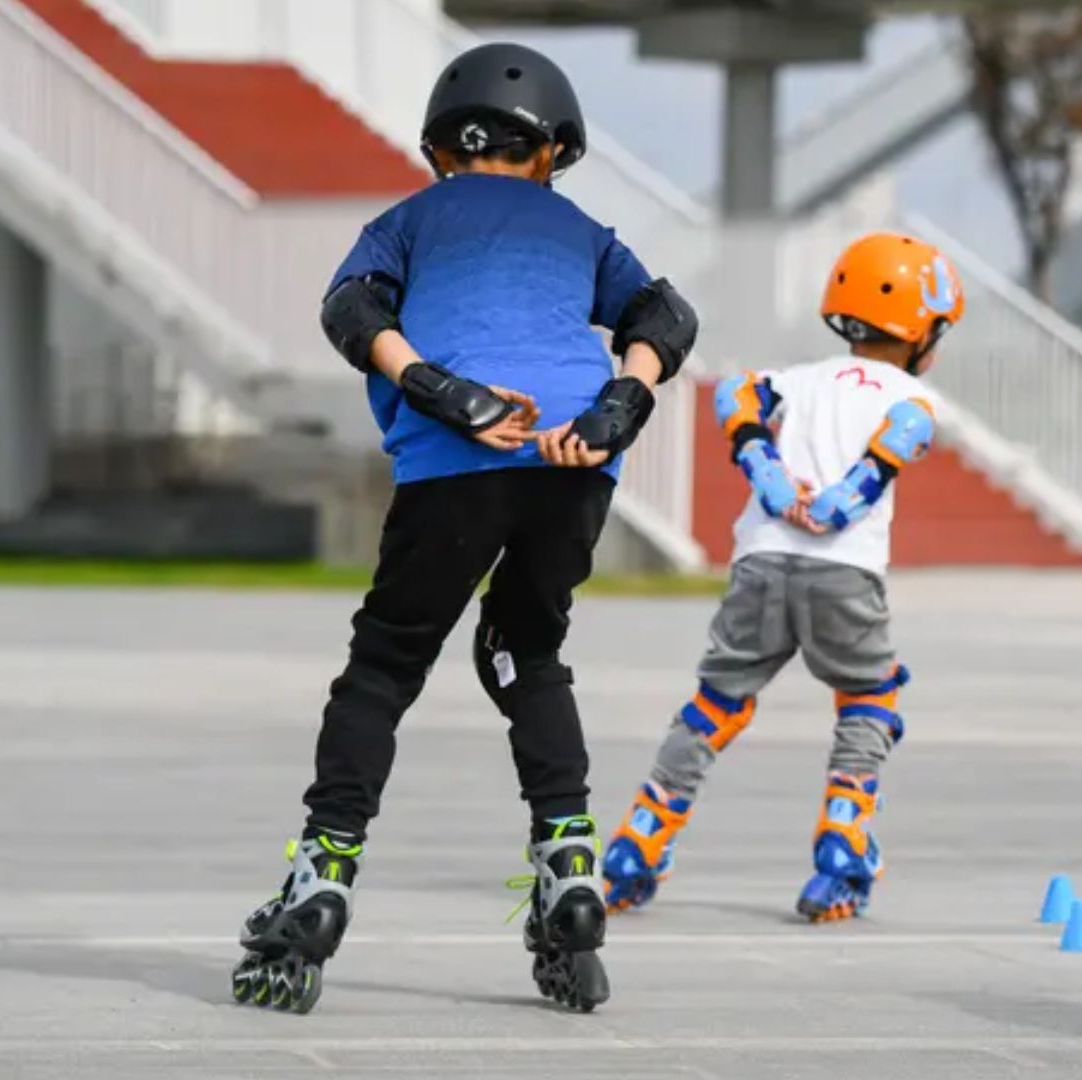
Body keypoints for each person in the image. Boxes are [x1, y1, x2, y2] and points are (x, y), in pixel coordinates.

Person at [229, 41, 698, 1016]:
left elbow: (352, 310)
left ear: (443, 148)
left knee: (386, 666)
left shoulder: (407, 220)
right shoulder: (578, 228)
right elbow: (664, 312)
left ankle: (321, 876)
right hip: (574, 456)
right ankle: (570, 868)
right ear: (551, 151)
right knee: (529, 649)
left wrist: (436, 386)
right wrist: (621, 401)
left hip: (459, 458)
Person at [598, 232, 963, 923]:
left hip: (760, 561)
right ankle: (842, 848)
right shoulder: (911, 393)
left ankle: (640, 842)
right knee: (869, 699)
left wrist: (765, 472)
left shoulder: (803, 380)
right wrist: (845, 500)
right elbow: (906, 433)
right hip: (843, 570)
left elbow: (736, 393)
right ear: (920, 331)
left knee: (716, 703)